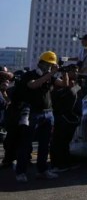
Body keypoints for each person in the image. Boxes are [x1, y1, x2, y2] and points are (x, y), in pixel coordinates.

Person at [15, 51, 65, 182]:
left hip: (48, 113)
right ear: (41, 63)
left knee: (45, 144)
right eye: (48, 64)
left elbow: (63, 84)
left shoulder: (50, 76)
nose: (49, 67)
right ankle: (21, 171)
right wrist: (51, 73)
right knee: (26, 143)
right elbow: (33, 85)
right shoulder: (30, 75)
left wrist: (65, 72)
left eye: (52, 65)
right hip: (33, 112)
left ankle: (42, 170)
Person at [50, 60, 79, 172]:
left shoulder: (76, 85)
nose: (76, 74)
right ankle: (56, 165)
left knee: (65, 142)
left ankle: (65, 163)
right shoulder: (59, 85)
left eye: (77, 71)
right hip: (60, 118)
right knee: (58, 142)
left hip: (69, 119)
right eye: (73, 71)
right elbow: (55, 97)